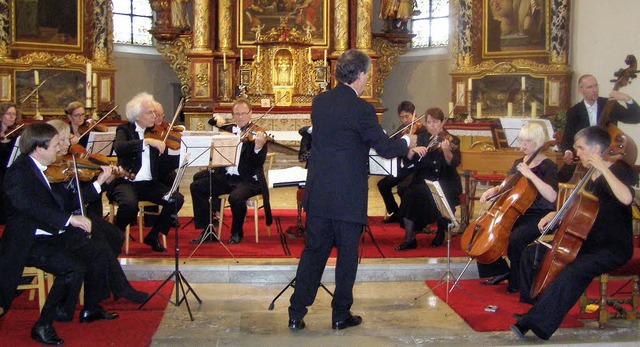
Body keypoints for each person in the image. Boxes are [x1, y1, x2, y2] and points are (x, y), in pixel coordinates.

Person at [287, 49, 416, 331]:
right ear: (360, 75)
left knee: (313, 253)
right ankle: (340, 315)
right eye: (367, 73)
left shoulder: (320, 102)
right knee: (346, 257)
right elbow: (384, 148)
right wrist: (407, 142)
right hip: (347, 198)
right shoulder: (363, 109)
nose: (367, 78)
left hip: (319, 193)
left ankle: (296, 312)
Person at [512, 126, 637, 340]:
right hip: (587, 241)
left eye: (580, 148)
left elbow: (626, 198)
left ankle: (537, 323)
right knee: (532, 254)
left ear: (596, 148)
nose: (576, 153)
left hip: (612, 247)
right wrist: (557, 215)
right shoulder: (586, 173)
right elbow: (579, 206)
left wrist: (604, 169)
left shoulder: (619, 169)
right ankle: (536, 310)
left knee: (574, 270)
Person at [0, 123, 118, 345]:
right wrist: (69, 219)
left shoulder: (41, 168)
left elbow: (64, 202)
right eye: (55, 144)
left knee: (96, 248)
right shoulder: (18, 172)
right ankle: (44, 324)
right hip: (28, 240)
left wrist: (97, 185)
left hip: (50, 232)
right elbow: (29, 206)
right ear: (38, 148)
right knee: (72, 268)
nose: (60, 149)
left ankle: (85, 308)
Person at [47, 119, 149, 304]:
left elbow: (83, 194)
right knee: (100, 239)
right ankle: (114, 290)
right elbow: (66, 203)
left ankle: (102, 287)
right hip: (61, 220)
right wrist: (97, 183)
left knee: (115, 235)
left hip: (78, 214)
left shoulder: (68, 162)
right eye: (63, 140)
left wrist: (104, 181)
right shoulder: (49, 167)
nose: (70, 142)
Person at [474, 122, 558, 293]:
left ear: (538, 141)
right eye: (521, 141)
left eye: (527, 141)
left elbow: (552, 196)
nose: (523, 145)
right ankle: (502, 271)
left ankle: (518, 279)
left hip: (542, 214)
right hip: (518, 210)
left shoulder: (548, 165)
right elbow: (507, 185)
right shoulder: (519, 162)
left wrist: (530, 175)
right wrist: (494, 190)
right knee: (484, 232)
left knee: (516, 237)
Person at [110, 92, 185, 252]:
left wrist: (178, 156)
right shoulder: (125, 129)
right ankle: (116, 233)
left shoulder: (158, 132)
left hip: (150, 184)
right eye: (150, 112)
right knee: (129, 206)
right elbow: (120, 147)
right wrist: (146, 141)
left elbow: (164, 166)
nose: (155, 115)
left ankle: (153, 235)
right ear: (137, 117)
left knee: (176, 199)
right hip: (127, 182)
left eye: (154, 112)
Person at [190, 98, 271, 245]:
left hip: (248, 180)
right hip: (227, 177)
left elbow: (257, 164)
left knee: (236, 197)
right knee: (197, 186)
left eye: (243, 113)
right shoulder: (228, 130)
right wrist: (217, 120)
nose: (240, 117)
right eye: (236, 114)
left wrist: (258, 148)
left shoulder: (258, 134)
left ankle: (236, 232)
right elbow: (211, 122)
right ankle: (207, 231)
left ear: (251, 113)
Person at [395, 107, 462, 250]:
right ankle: (409, 237)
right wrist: (412, 151)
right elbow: (409, 163)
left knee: (440, 193)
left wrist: (446, 151)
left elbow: (453, 163)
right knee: (408, 194)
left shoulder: (451, 140)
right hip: (425, 180)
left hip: (445, 180)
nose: (432, 125)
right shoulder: (421, 139)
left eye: (435, 122)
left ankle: (441, 232)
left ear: (442, 122)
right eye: (429, 122)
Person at [559, 74, 640, 182]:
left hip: (608, 158)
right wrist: (568, 152)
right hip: (584, 160)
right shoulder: (573, 112)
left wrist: (627, 98)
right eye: (590, 87)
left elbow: (636, 118)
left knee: (623, 177)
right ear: (581, 90)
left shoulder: (610, 104)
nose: (595, 90)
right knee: (560, 179)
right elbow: (567, 137)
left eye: (596, 86)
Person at [378, 101, 427, 224]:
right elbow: (393, 144)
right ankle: (396, 212)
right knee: (383, 184)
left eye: (407, 116)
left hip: (414, 168)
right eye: (402, 117)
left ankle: (407, 215)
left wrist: (410, 149)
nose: (405, 120)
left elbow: (421, 149)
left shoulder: (422, 130)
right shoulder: (402, 130)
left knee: (403, 188)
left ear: (414, 115)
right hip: (402, 166)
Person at [0, 103, 20, 224]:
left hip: (10, 172)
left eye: (14, 114)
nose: (12, 117)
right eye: (9, 114)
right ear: (1, 115)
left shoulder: (15, 134)